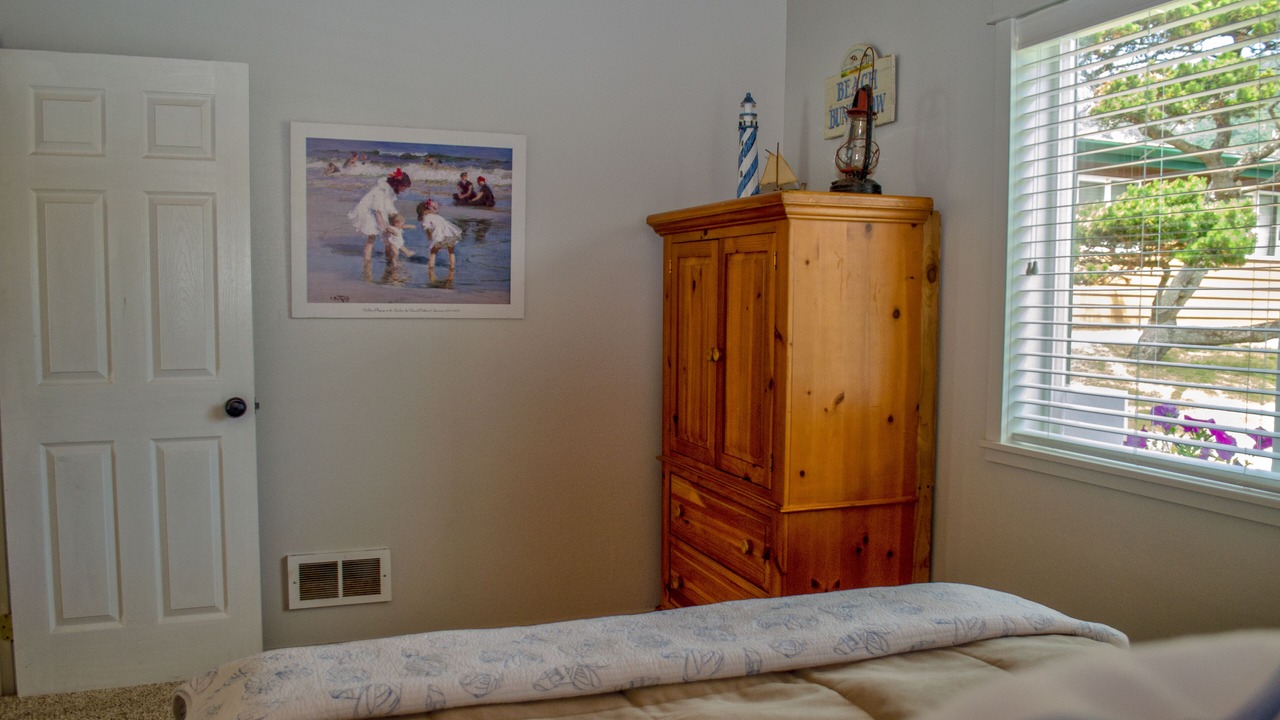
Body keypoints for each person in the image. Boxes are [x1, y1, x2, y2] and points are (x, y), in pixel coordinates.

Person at [349, 167, 412, 264]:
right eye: (404, 187)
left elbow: (388, 206)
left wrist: (396, 217)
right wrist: (384, 226)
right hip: (370, 213)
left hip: (380, 213)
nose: (404, 190)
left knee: (387, 236)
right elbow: (377, 210)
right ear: (398, 184)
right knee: (372, 237)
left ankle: (389, 257)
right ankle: (367, 260)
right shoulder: (381, 191)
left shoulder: (388, 190)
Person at [416, 199, 463, 276]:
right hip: (451, 235)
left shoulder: (427, 217)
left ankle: (431, 268)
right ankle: (452, 267)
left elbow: (427, 228)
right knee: (451, 252)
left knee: (433, 252)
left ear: (424, 212)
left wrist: (430, 237)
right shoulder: (438, 217)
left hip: (440, 237)